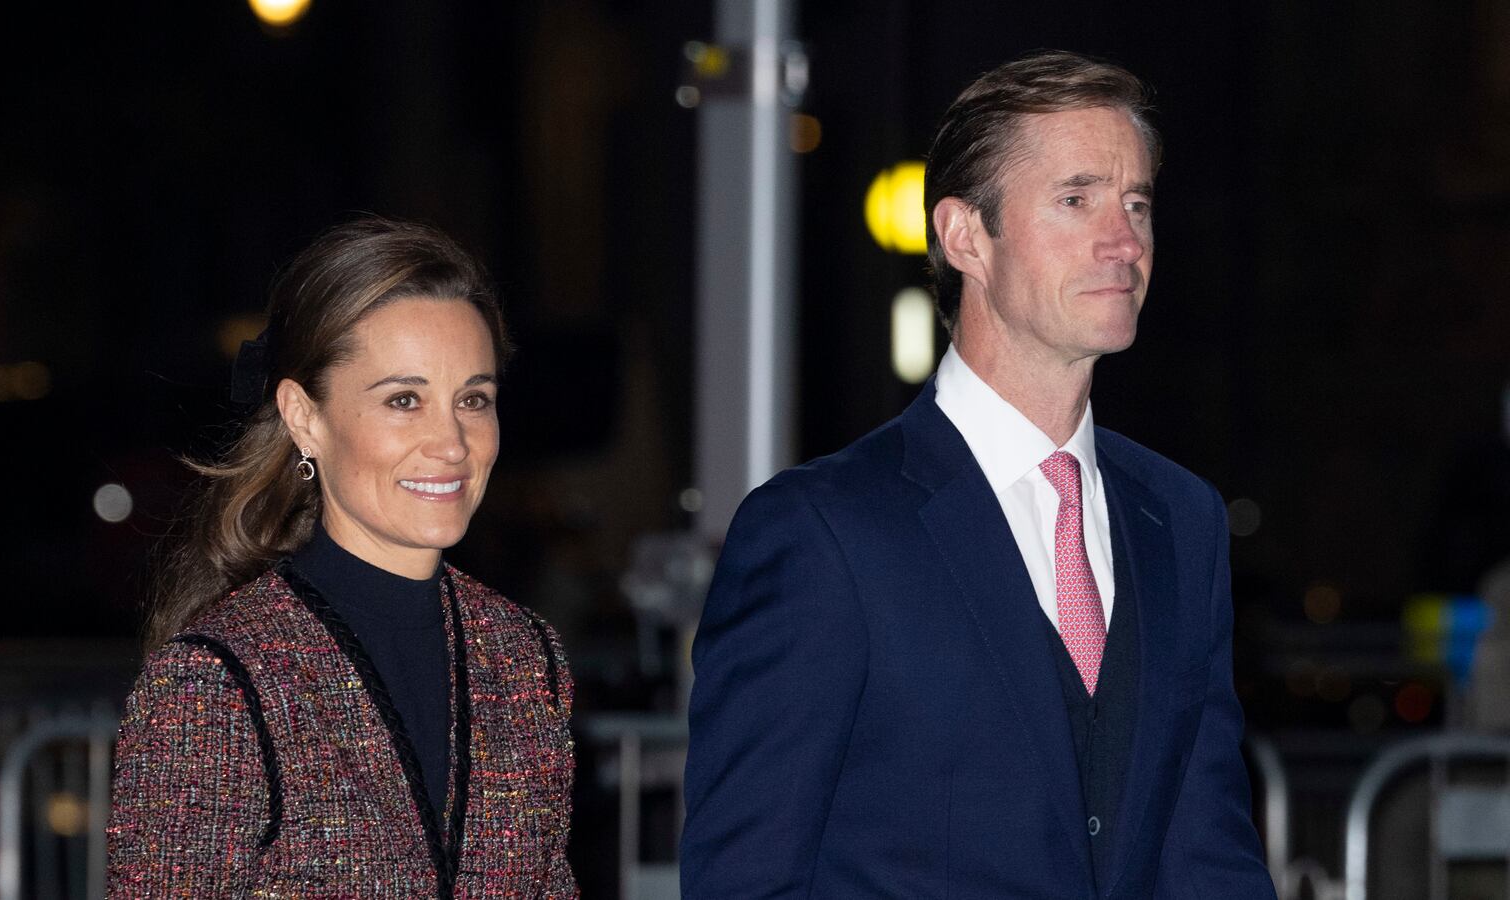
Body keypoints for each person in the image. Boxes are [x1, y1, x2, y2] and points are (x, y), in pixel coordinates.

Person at [682, 51, 1276, 897]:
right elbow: (747, 879)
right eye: (1076, 200)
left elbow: (1208, 852)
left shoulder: (1181, 518)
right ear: (965, 236)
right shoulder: (823, 532)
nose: (1124, 240)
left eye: (1136, 203)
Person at [107, 218, 577, 897]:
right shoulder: (218, 681)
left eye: (473, 399)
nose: (452, 442)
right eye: (404, 401)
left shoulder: (525, 656)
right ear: (305, 418)